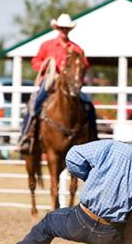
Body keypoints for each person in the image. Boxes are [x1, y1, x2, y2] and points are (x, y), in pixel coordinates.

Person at [0, 130, 132, 244]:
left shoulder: (110, 146)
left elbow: (73, 157)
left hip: (81, 220)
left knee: (48, 223)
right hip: (111, 234)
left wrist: (91, 177)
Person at [18, 13, 98, 153]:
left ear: (69, 30)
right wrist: (47, 65)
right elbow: (35, 62)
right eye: (62, 28)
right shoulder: (47, 45)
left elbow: (84, 65)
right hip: (51, 82)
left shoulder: (76, 49)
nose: (64, 30)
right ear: (57, 28)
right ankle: (26, 136)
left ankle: (93, 139)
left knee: (88, 106)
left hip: (70, 85)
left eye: (66, 28)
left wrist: (77, 77)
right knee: (35, 103)